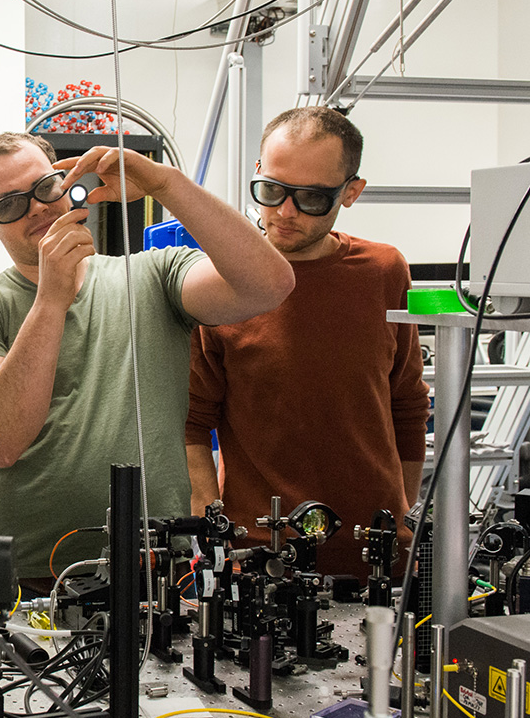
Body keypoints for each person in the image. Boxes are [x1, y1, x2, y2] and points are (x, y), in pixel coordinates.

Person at [0, 132, 294, 584]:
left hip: (159, 568)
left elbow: (269, 285)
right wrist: (50, 301)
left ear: (67, 181)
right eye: (8, 205)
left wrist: (165, 184)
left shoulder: (153, 274)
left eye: (46, 188)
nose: (38, 208)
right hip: (35, 577)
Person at [184, 107, 429, 579]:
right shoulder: (218, 282)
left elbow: (408, 405)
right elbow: (194, 422)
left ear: (351, 192)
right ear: (257, 173)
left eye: (312, 198)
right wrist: (213, 537)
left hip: (374, 556)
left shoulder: (383, 271)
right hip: (258, 556)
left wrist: (400, 518)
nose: (285, 212)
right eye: (271, 191)